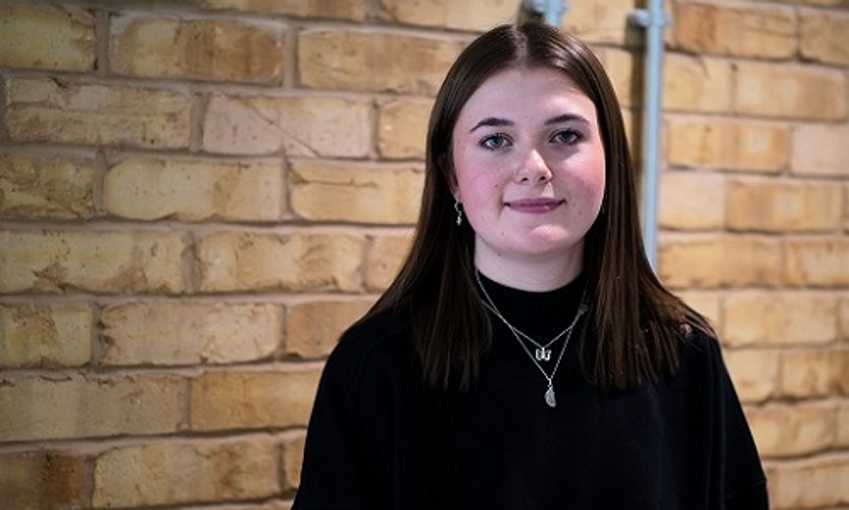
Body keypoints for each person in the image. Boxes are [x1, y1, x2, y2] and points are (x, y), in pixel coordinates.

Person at [292, 22, 768, 509]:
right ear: (452, 175)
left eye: (565, 135)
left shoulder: (685, 355)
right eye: (496, 140)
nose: (534, 168)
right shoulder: (372, 366)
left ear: (609, 160)